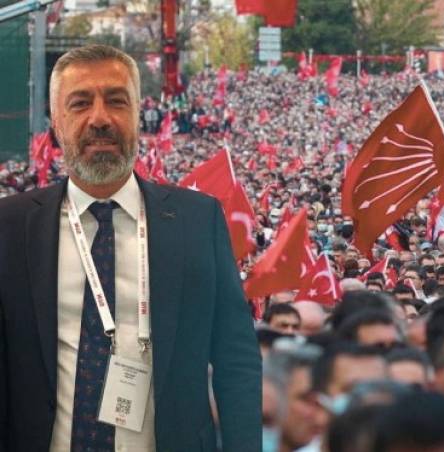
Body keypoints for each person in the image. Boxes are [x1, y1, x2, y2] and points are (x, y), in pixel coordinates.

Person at [0, 45, 260, 451]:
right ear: (55, 122)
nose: (100, 118)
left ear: (139, 113)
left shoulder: (197, 220)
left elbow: (236, 359)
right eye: (80, 103)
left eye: (116, 101)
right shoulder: (11, 226)